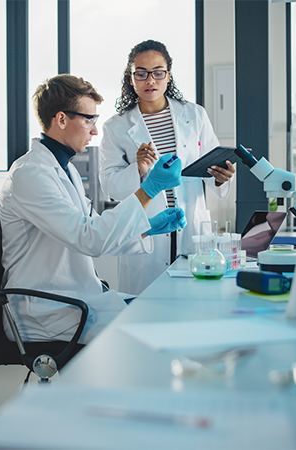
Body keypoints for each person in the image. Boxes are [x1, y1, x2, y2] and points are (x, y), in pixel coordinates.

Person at [0, 74, 185, 344]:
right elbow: (90, 240)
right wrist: (149, 189)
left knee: (165, 312)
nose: (95, 131)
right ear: (61, 119)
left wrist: (147, 229)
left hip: (76, 299)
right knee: (156, 331)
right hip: (44, 310)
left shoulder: (66, 170)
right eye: (89, 120)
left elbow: (97, 232)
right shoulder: (30, 174)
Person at [100, 39, 236, 295]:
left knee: (194, 305)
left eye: (158, 72)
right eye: (141, 73)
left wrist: (221, 178)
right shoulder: (115, 127)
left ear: (168, 76)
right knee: (146, 308)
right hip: (147, 230)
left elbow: (212, 167)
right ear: (131, 79)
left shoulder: (195, 115)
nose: (150, 80)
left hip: (190, 227)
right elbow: (110, 186)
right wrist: (139, 168)